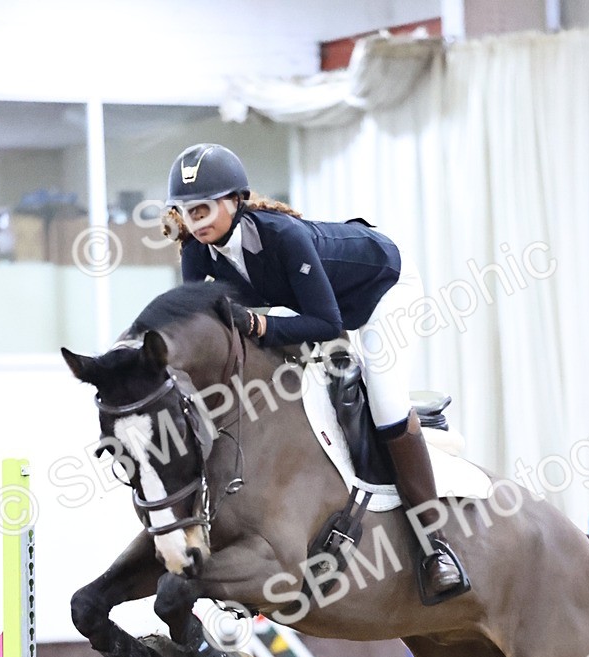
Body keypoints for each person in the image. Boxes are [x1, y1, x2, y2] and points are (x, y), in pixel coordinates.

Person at [165, 142, 469, 606]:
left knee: (384, 400)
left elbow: (329, 323)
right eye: (187, 213)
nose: (197, 221)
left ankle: (435, 546)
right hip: (312, 304)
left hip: (382, 289)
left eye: (204, 209)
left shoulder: (282, 236)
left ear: (234, 201)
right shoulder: (197, 252)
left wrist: (259, 324)